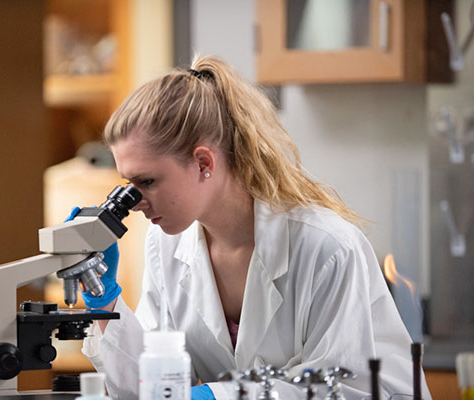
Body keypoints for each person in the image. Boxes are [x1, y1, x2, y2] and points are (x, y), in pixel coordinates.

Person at [72, 55, 431, 399]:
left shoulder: (327, 246)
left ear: (202, 162)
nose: (136, 203)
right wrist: (105, 303)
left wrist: (216, 395)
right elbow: (149, 386)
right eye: (128, 185)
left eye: (147, 182)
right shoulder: (165, 245)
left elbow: (342, 389)